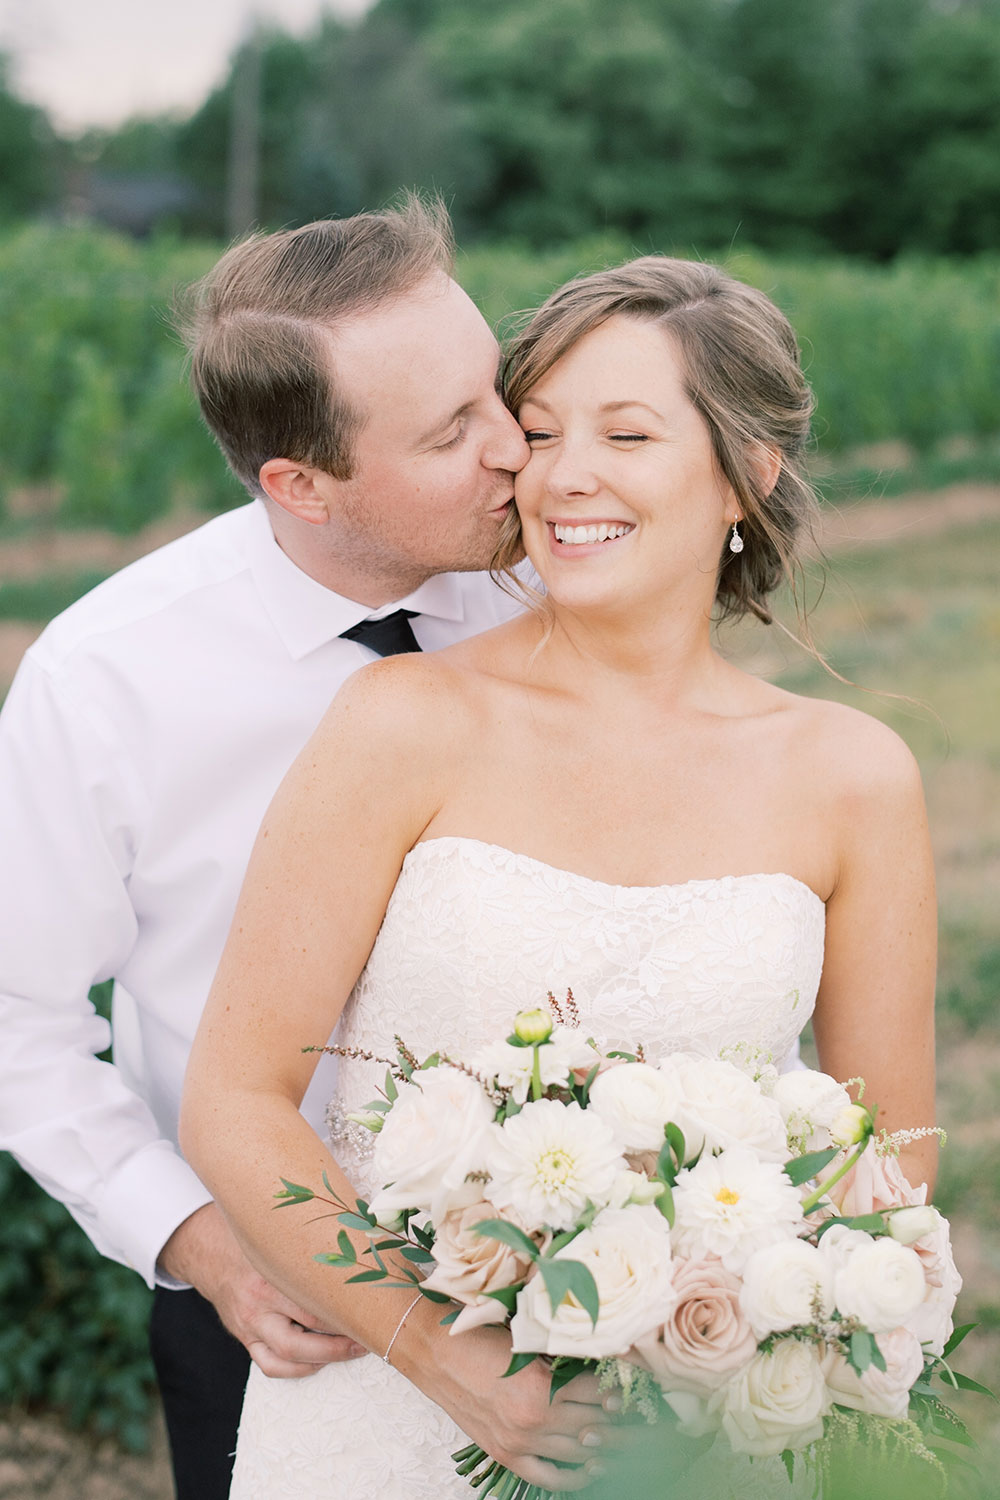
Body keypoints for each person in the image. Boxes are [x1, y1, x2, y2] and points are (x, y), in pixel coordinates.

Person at [180, 254, 938, 1498]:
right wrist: (445, 1358)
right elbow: (236, 1097)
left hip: (700, 1439)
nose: (562, 472)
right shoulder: (403, 721)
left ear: (749, 471)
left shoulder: (851, 776)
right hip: (386, 1419)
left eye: (626, 432)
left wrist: (735, 1355)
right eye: (537, 433)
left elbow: (890, 1161)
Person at [0, 197, 551, 1500]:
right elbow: (14, 1024)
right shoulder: (104, 682)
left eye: (497, 390)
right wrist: (198, 1241)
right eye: (449, 430)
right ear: (299, 484)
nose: (514, 448)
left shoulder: (555, 592)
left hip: (581, 1254)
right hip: (273, 1312)